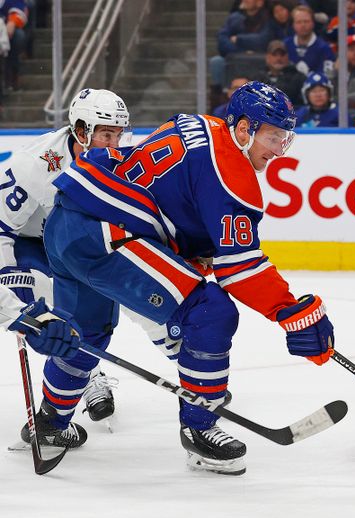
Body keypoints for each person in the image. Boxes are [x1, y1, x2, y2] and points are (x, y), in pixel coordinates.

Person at [40, 82, 335, 476]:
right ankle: (199, 430)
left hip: (67, 222)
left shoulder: (199, 124)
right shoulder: (232, 174)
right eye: (273, 136)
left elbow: (170, 197)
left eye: (285, 139)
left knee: (87, 334)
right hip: (105, 238)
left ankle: (49, 423)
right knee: (211, 312)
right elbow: (241, 270)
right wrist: (293, 313)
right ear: (245, 129)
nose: (279, 149)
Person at [0, 89, 135, 445]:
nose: (114, 142)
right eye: (106, 133)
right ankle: (80, 378)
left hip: (70, 243)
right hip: (28, 244)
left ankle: (86, 370)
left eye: (119, 133)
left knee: (93, 313)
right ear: (79, 130)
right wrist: (12, 283)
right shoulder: (34, 165)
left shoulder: (120, 162)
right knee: (47, 314)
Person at [210, 0, 271, 91]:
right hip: (236, 56)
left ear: (260, 2)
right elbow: (222, 40)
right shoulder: (234, 18)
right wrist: (241, 51)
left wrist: (238, 39)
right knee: (216, 61)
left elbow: (262, 40)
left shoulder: (268, 18)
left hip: (260, 57)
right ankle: (222, 95)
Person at [252, 39, 306, 106]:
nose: (279, 58)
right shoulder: (257, 78)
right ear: (267, 57)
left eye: (282, 54)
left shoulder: (299, 78)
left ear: (287, 57)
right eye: (274, 54)